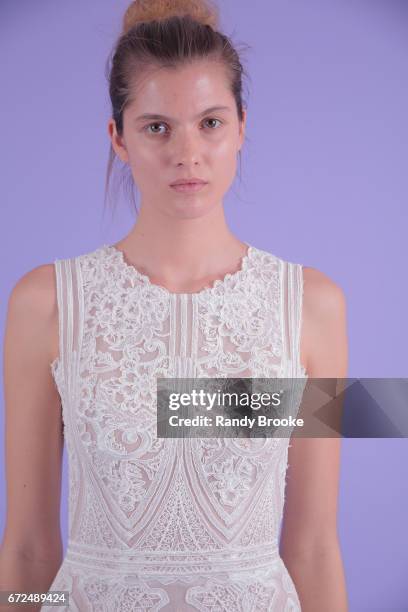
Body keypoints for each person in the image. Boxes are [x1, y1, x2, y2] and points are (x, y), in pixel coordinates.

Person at [0, 0, 349, 610]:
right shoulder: (46, 304)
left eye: (210, 123)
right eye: (158, 126)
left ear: (242, 125)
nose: (187, 152)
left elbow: (315, 546)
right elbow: (28, 546)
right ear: (119, 138)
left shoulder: (312, 307)